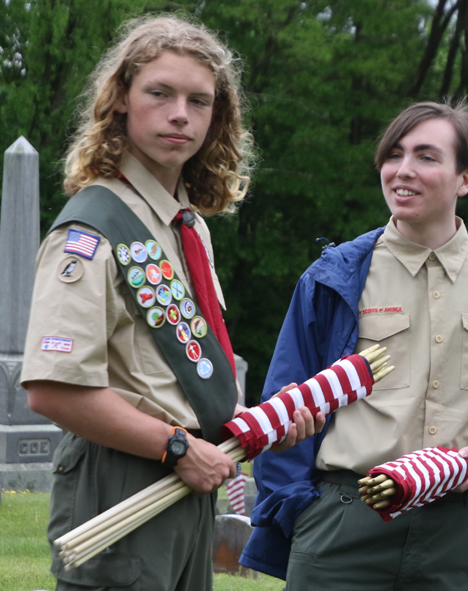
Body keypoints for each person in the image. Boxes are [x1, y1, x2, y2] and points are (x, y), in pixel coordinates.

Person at [20, 15, 322, 591]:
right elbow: (52, 389)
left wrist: (261, 427)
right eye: (160, 93)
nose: (180, 113)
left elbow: (175, 374)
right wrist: (178, 445)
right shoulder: (91, 229)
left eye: (199, 101)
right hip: (123, 477)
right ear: (121, 103)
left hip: (188, 475)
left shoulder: (187, 225)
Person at [241, 101, 468, 589]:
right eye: (394, 154)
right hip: (341, 525)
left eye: (426, 157)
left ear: (464, 178)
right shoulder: (334, 278)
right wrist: (300, 512)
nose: (403, 171)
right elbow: (282, 408)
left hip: (461, 531)